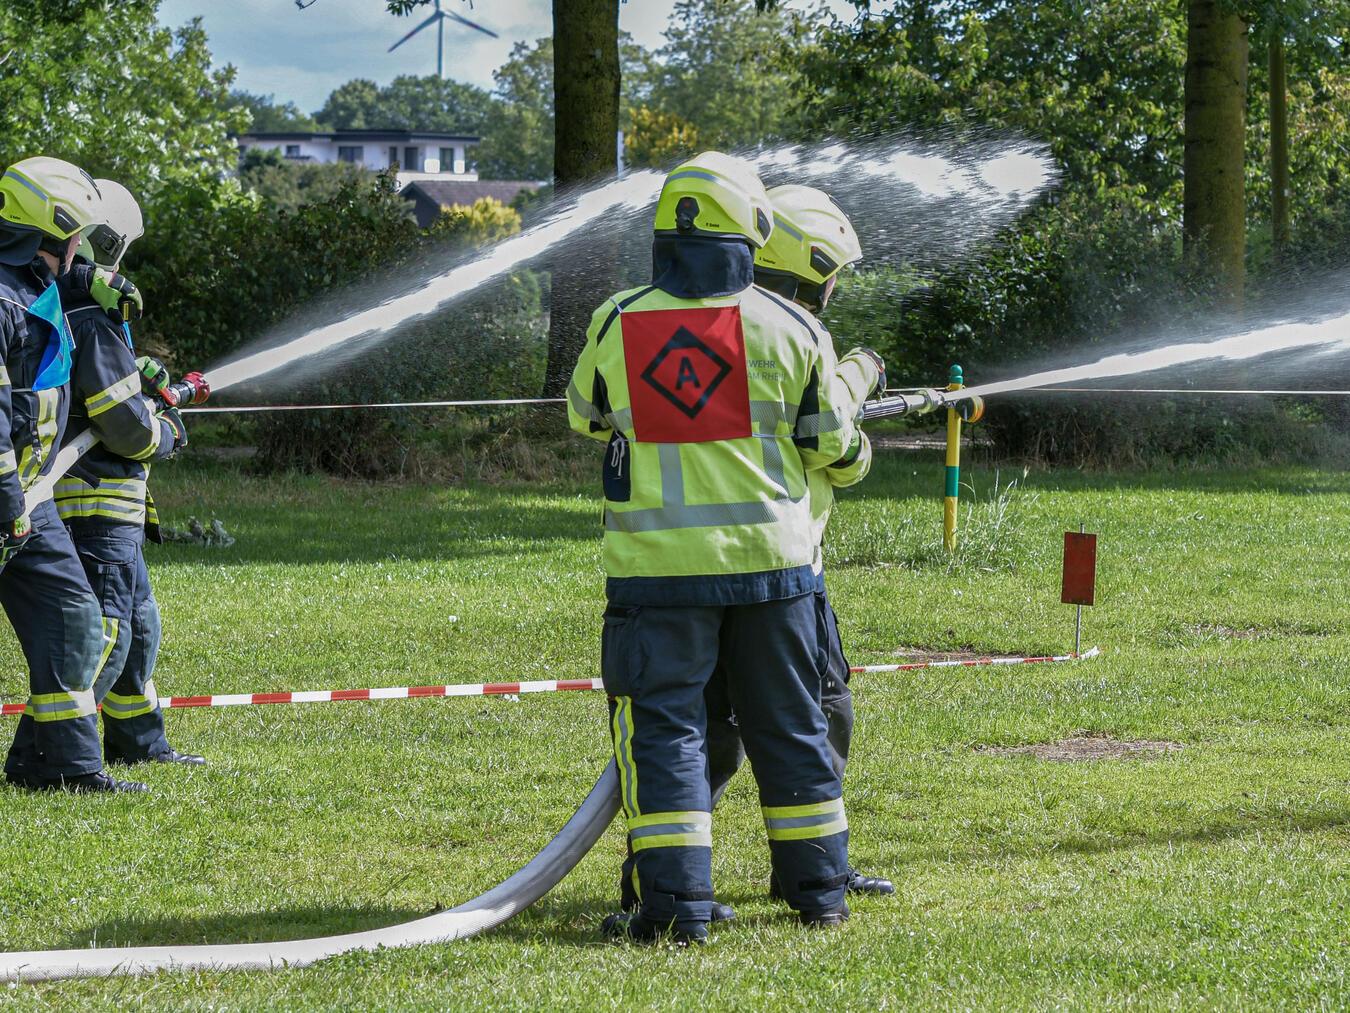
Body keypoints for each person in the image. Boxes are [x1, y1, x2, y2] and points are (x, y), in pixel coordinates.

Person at [567, 152, 883, 944]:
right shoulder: (796, 327)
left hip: (658, 580)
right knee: (790, 724)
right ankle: (819, 892)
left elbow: (584, 414)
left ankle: (676, 910)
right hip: (775, 575)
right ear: (752, 226)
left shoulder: (615, 320)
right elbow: (834, 450)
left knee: (667, 732)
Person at [0, 156, 146, 793]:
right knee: (77, 618)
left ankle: (64, 768)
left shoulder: (34, 276)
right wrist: (7, 500)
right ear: (47, 233)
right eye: (77, 238)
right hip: (11, 498)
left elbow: (60, 274)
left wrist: (96, 279)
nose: (82, 250)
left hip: (33, 500)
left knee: (77, 621)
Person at [53, 178, 204, 768]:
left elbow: (105, 386)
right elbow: (123, 427)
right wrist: (165, 431)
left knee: (140, 629)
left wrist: (137, 372)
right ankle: (56, 748)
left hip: (114, 499)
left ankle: (138, 744)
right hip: (94, 498)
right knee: (110, 632)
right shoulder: (91, 314)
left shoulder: (85, 311)